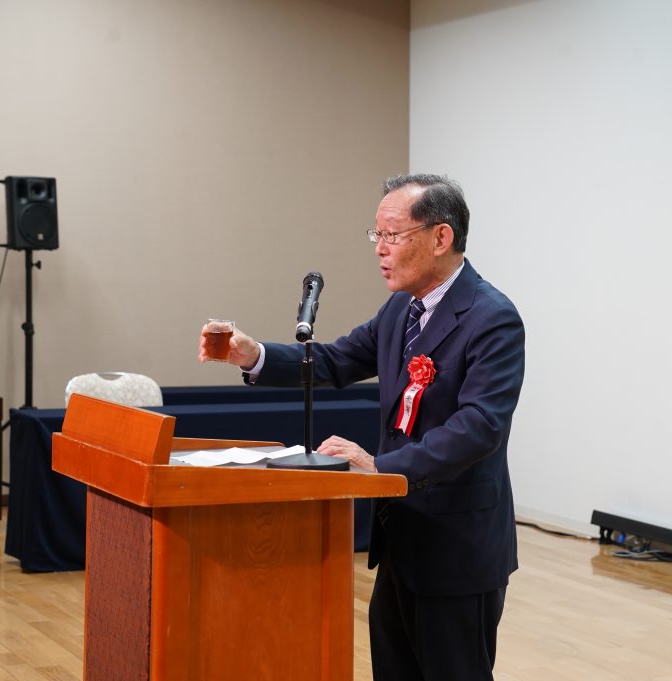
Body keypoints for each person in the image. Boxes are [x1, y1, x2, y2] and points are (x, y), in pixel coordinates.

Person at [198, 174, 525, 681]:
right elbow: (334, 360)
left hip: (458, 545)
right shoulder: (400, 309)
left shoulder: (492, 317)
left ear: (441, 237)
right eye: (377, 235)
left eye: (393, 235)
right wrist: (254, 354)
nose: (380, 249)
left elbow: (480, 426)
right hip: (400, 539)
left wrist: (380, 467)